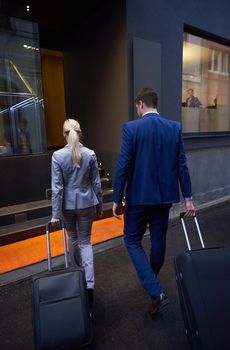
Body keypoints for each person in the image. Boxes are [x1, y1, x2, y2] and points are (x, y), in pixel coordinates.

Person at [112, 87, 195, 316]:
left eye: (137, 106)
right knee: (158, 238)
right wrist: (188, 199)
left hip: (138, 199)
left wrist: (116, 199)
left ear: (140, 103)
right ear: (155, 104)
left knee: (131, 240)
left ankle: (154, 289)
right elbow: (181, 165)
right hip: (164, 198)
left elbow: (123, 165)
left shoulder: (131, 128)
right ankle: (152, 280)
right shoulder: (174, 128)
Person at [51, 118, 103, 309]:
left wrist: (55, 213)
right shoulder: (90, 154)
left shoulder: (57, 156)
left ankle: (76, 275)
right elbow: (96, 183)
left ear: (64, 134)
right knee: (86, 241)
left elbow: (57, 188)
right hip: (86, 203)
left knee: (72, 238)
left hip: (66, 206)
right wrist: (100, 206)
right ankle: (89, 286)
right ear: (80, 132)